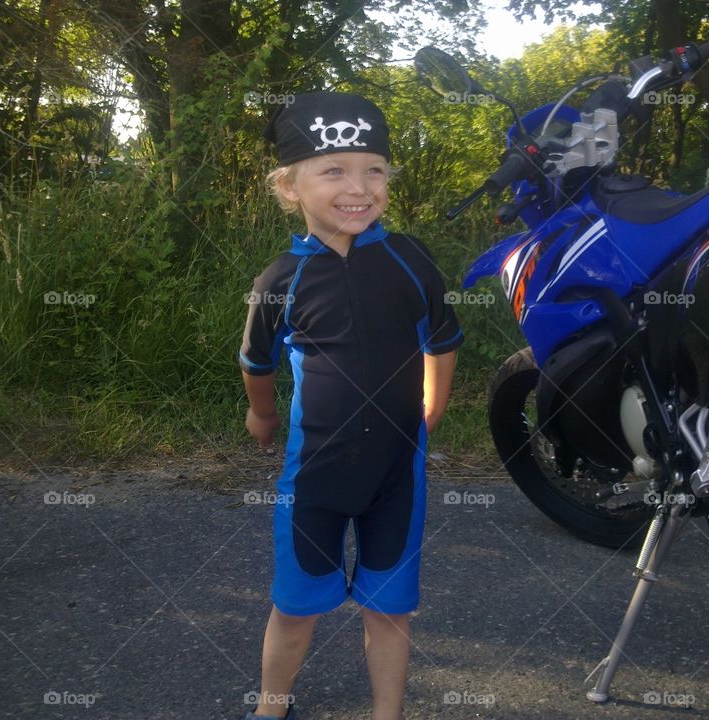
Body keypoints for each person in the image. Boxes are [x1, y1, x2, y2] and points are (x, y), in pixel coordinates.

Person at [238, 92, 463, 720]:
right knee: (294, 606)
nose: (357, 187)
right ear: (289, 187)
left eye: (373, 169)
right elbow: (255, 362)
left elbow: (441, 341)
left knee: (391, 608)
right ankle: (269, 708)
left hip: (399, 472)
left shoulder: (410, 260)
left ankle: (386, 713)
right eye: (333, 170)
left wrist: (432, 407)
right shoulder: (280, 281)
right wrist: (262, 414)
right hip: (314, 478)